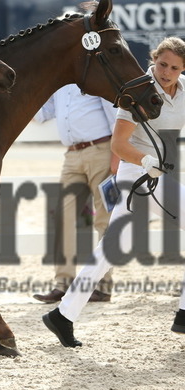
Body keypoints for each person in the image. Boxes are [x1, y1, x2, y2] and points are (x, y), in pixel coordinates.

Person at [43, 37, 185, 347]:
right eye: (162, 64)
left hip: (162, 175)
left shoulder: (184, 90)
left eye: (174, 68)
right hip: (139, 175)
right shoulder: (137, 91)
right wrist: (145, 161)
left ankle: (62, 316)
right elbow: (119, 144)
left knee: (109, 250)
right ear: (154, 58)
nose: (166, 72)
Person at [32, 84, 117, 304]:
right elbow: (43, 113)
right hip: (72, 156)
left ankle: (103, 286)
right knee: (62, 217)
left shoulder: (94, 77)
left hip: (102, 151)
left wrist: (116, 155)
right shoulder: (60, 84)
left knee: (104, 219)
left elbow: (113, 115)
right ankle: (63, 284)